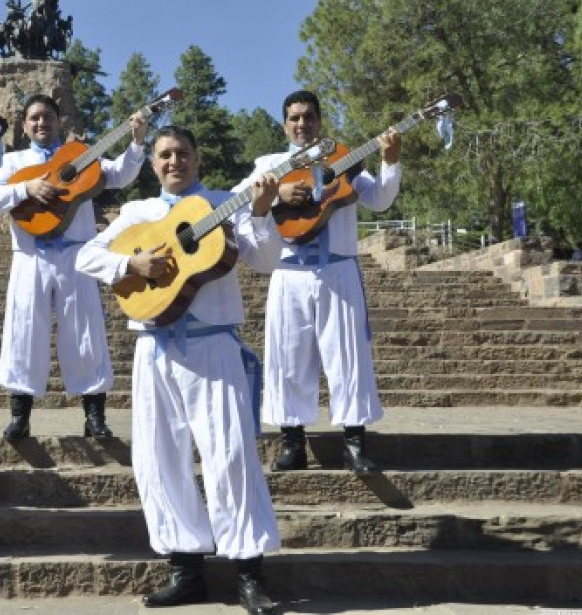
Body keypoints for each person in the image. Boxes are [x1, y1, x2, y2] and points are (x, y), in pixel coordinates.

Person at [76, 126, 282, 614]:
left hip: (213, 346)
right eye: (165, 155)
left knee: (231, 455)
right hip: (152, 346)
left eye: (182, 153)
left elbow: (268, 260)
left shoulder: (223, 202)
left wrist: (261, 210)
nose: (174, 161)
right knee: (158, 458)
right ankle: (185, 568)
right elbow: (86, 255)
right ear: (152, 164)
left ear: (198, 158)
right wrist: (133, 263)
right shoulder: (137, 214)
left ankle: (248, 571)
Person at [238, 89, 401, 475]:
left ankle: (355, 442)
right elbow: (235, 201)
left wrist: (390, 162)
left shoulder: (344, 161)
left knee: (349, 357)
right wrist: (275, 195)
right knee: (287, 357)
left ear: (319, 121)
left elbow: (378, 200)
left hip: (338, 271)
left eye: (308, 116)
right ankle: (292, 443)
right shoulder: (271, 164)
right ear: (284, 125)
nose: (301, 123)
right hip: (289, 271)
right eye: (294, 117)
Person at [0, 94, 148, 441]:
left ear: (60, 123)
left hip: (76, 255)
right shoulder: (14, 162)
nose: (42, 123)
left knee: (85, 332)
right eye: (35, 118)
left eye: (49, 117)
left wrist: (137, 141)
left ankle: (94, 416)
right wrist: (26, 187)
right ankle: (20, 417)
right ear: (25, 126)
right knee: (24, 332)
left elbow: (120, 175)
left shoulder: (79, 157)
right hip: (30, 257)